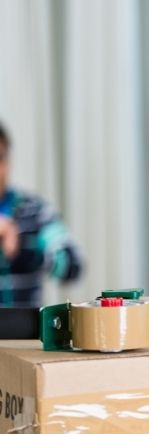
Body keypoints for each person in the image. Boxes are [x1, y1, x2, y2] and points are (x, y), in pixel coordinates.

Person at [0, 121, 81, 307]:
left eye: (0, 157)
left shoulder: (35, 211)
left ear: (8, 161)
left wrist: (22, 249)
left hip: (23, 333)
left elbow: (72, 266)